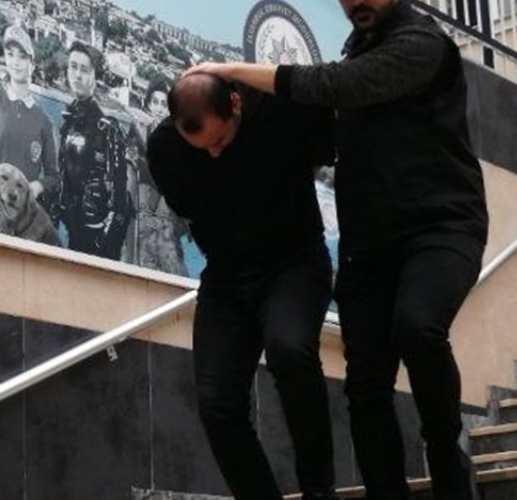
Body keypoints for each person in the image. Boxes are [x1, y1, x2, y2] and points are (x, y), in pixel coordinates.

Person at [186, 0, 489, 500]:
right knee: (366, 384)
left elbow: (340, 85)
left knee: (418, 327)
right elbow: (319, 140)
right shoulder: (358, 48)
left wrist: (228, 71)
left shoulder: (422, 45)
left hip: (441, 227)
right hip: (370, 245)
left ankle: (449, 467)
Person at [146, 74, 337, 500]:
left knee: (289, 349)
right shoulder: (164, 148)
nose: (214, 152)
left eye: (221, 140)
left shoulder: (279, 109)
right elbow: (190, 207)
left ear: (235, 104)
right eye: (202, 147)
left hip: (295, 263)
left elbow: (325, 147)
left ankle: (319, 492)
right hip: (227, 276)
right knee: (217, 403)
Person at [53, 42, 132, 259]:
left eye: (84, 69)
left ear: (95, 77)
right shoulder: (67, 122)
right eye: (73, 67)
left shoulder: (107, 127)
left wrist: (106, 242)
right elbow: (63, 180)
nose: (77, 75)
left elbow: (120, 202)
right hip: (73, 232)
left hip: (99, 240)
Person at [0, 24, 58, 231]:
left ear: (32, 62)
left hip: (21, 217)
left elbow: (53, 177)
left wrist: (36, 186)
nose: (15, 62)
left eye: (22, 56)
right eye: (10, 54)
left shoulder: (44, 121)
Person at [132, 78, 187, 275]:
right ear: (148, 103)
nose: (159, 108)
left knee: (169, 259)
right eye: (155, 102)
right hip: (143, 209)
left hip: (166, 213)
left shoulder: (177, 141)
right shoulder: (138, 131)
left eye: (164, 104)